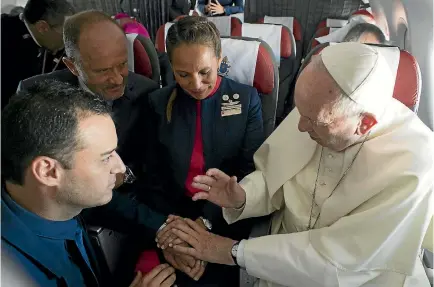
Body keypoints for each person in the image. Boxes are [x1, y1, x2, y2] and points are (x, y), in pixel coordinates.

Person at [157, 43, 434, 286]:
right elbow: (273, 174)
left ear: (365, 123)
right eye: (300, 113)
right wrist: (242, 196)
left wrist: (231, 252)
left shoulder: (414, 166)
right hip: (273, 256)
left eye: (314, 121)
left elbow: (341, 262)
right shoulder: (316, 105)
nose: (300, 127)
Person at [18, 10, 177, 285]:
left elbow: (151, 169)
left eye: (122, 65)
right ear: (72, 66)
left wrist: (124, 176)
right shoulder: (35, 98)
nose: (117, 79)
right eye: (103, 70)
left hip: (124, 211)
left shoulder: (146, 94)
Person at [1, 80, 177, 287]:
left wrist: (169, 232)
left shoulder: (57, 199)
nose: (120, 168)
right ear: (48, 171)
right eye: (105, 157)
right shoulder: (12, 274)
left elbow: (117, 207)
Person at [140, 16, 265, 286]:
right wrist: (170, 231)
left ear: (220, 60)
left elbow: (249, 172)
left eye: (205, 72)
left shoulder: (245, 100)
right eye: (183, 74)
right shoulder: (157, 104)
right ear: (171, 67)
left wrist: (203, 225)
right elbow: (153, 177)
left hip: (224, 215)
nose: (195, 84)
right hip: (170, 216)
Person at [1, 0, 74, 110]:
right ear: (42, 27)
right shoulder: (6, 35)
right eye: (65, 32)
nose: (69, 39)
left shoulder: (52, 45)